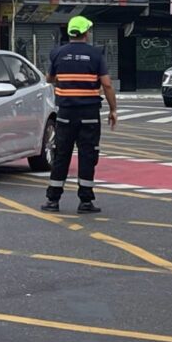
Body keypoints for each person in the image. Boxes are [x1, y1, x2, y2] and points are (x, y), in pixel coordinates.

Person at [40, 15, 117, 214]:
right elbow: (107, 84)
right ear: (85, 33)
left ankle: (52, 200)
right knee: (88, 156)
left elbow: (49, 78)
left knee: (61, 155)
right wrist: (113, 109)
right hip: (89, 114)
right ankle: (85, 202)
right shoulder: (95, 55)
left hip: (65, 114)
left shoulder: (57, 53)